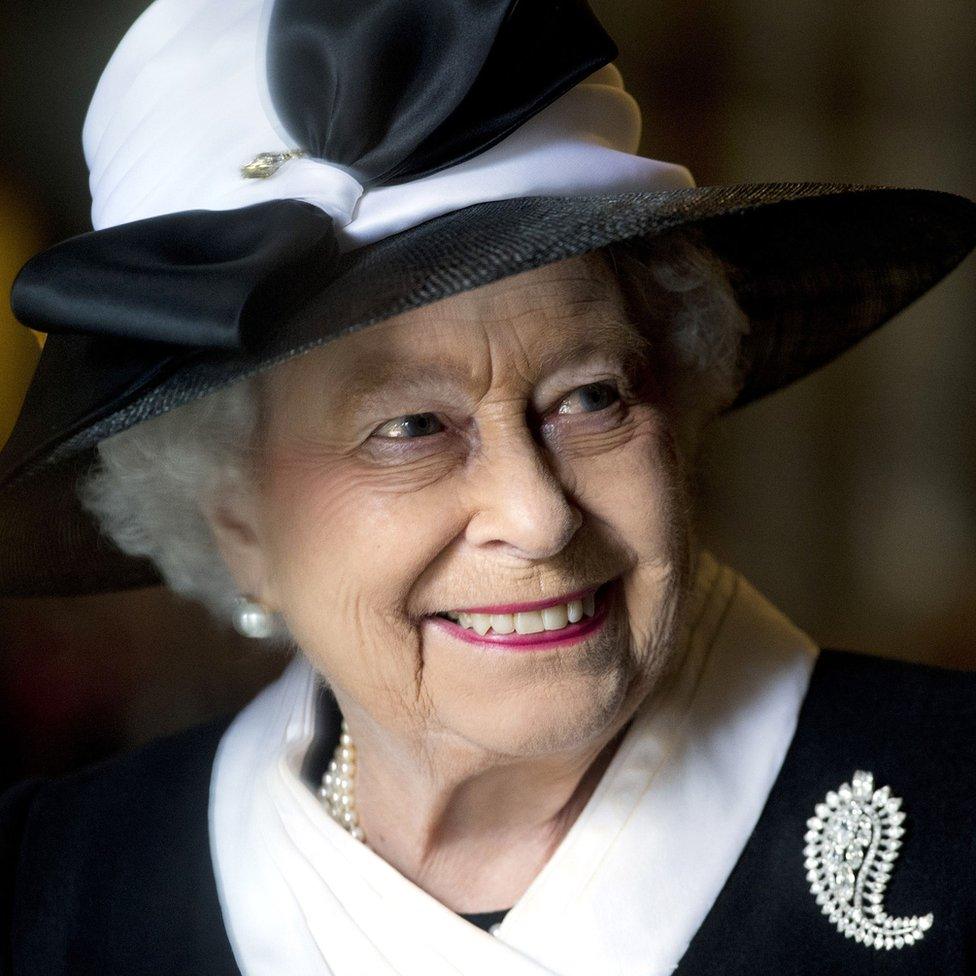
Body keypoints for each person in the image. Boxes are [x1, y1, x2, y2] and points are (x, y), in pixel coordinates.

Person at [1, 1, 974, 974]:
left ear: (675, 409)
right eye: (410, 428)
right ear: (234, 520)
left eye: (590, 397)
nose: (537, 515)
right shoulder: (49, 886)